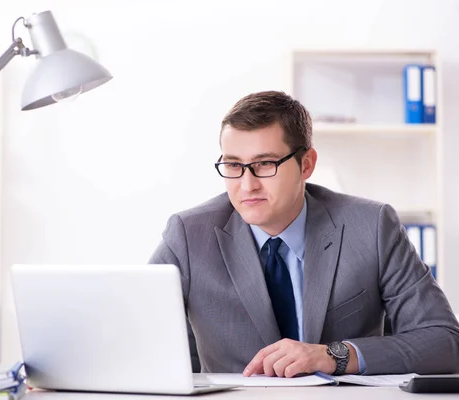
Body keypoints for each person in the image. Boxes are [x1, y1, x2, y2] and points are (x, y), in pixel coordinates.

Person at [148, 90, 459, 377]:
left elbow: (444, 342)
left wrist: (336, 355)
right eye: (233, 165)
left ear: (306, 164)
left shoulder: (371, 226)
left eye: (265, 164)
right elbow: (141, 337)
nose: (247, 185)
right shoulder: (188, 236)